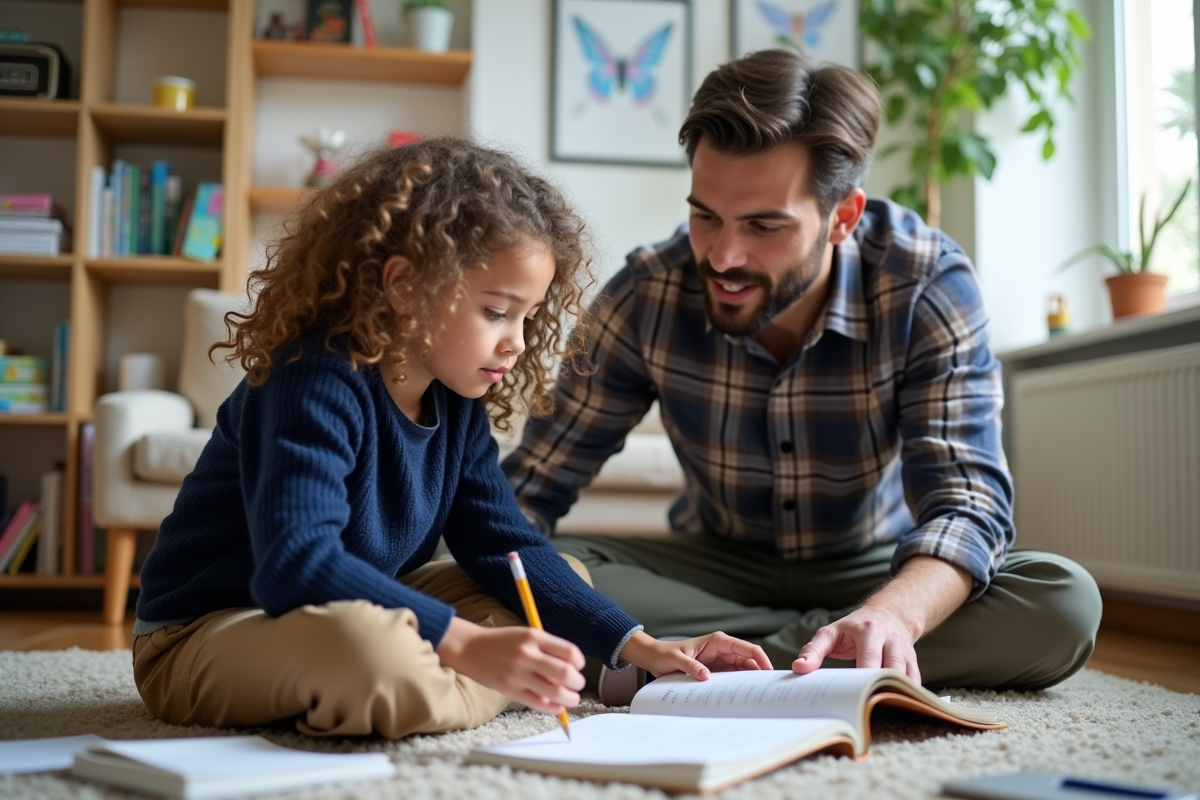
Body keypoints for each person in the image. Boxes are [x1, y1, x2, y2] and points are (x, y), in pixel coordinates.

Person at [502, 50, 1102, 699]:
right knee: (519, 568)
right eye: (705, 216)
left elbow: (968, 504)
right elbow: (534, 486)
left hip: (872, 570)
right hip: (713, 568)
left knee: (1061, 603)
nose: (724, 256)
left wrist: (893, 613)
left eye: (764, 225)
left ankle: (701, 662)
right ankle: (823, 659)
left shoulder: (926, 285)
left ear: (842, 216)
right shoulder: (648, 293)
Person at [131, 137, 771, 739]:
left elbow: (506, 545)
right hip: (208, 629)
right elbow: (296, 567)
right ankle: (515, 677)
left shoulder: (456, 400)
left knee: (556, 576)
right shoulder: (312, 377)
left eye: (527, 315)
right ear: (406, 285)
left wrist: (636, 643)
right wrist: (464, 642)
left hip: (350, 612)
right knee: (372, 655)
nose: (517, 341)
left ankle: (560, 671)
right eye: (496, 311)